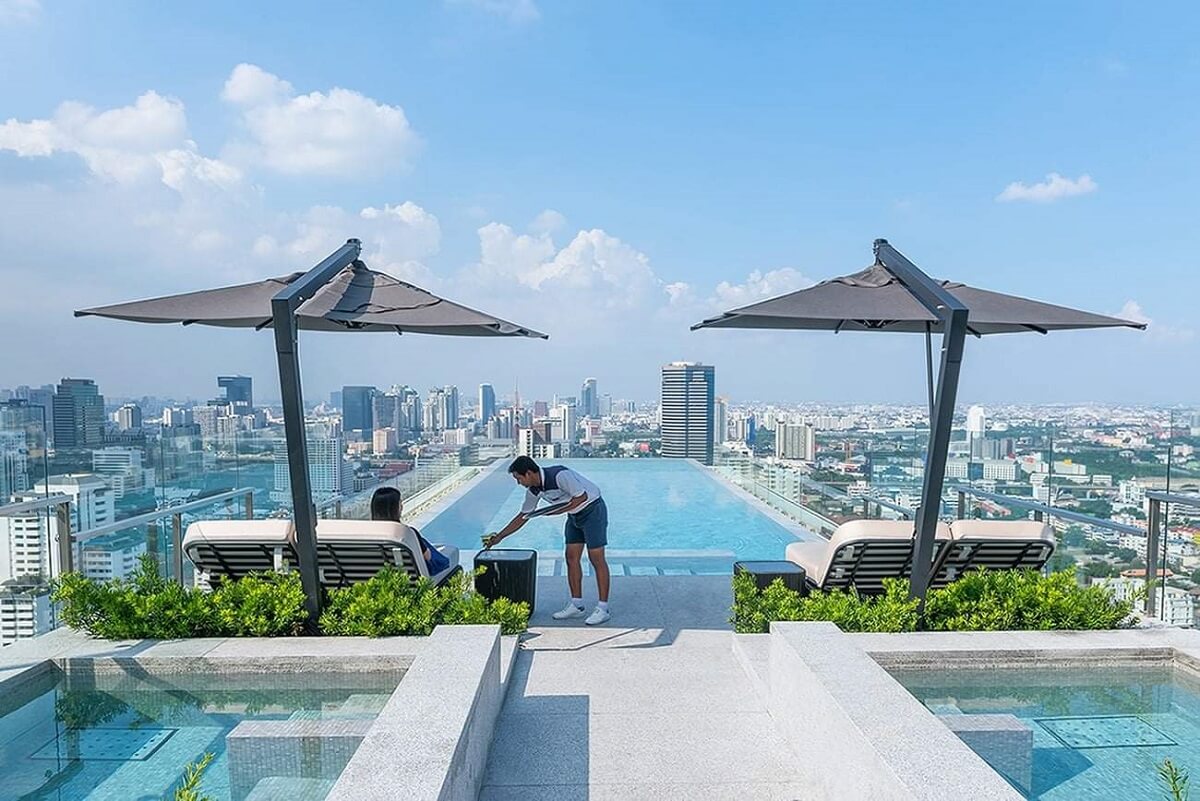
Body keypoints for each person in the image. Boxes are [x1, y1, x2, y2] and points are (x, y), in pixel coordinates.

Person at [484, 456, 611, 625]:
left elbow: (581, 497)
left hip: (593, 510)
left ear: (529, 473)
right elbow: (523, 516)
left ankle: (603, 609)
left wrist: (555, 511)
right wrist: (499, 537)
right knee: (571, 558)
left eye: (519, 478)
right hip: (574, 515)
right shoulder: (533, 490)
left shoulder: (559, 475)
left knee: (596, 559)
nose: (518, 482)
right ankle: (577, 605)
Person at [370, 486, 450, 576]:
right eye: (400, 503)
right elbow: (427, 556)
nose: (402, 506)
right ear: (395, 508)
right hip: (410, 579)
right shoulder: (406, 533)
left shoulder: (366, 535)